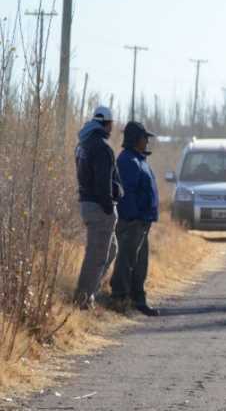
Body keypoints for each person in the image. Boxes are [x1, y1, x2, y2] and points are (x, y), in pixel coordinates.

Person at [74, 106, 123, 310]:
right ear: (107, 123)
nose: (112, 127)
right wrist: (108, 207)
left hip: (88, 204)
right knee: (97, 255)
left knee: (111, 249)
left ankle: (90, 292)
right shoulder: (102, 147)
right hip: (99, 207)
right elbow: (103, 183)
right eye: (111, 124)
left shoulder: (83, 144)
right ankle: (83, 301)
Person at [112, 121, 160, 316]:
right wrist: (133, 217)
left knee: (140, 263)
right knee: (127, 260)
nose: (147, 141)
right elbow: (127, 192)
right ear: (136, 139)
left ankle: (137, 299)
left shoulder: (138, 159)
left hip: (142, 221)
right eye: (144, 137)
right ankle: (120, 297)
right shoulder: (127, 161)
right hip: (133, 221)